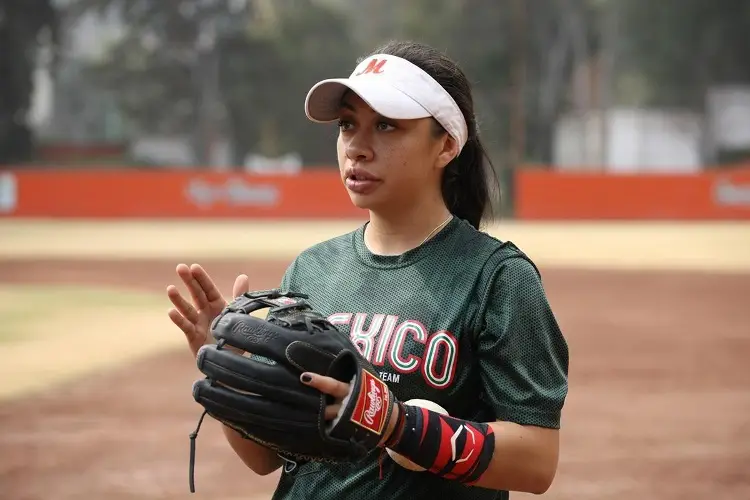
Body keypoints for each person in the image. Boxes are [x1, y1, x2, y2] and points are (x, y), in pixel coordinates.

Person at [167, 40, 569, 500]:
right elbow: (265, 459)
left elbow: (537, 462)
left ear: (447, 145)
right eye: (347, 125)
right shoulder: (312, 269)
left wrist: (400, 426)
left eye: (386, 126)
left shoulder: (496, 277)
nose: (357, 147)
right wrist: (231, 372)